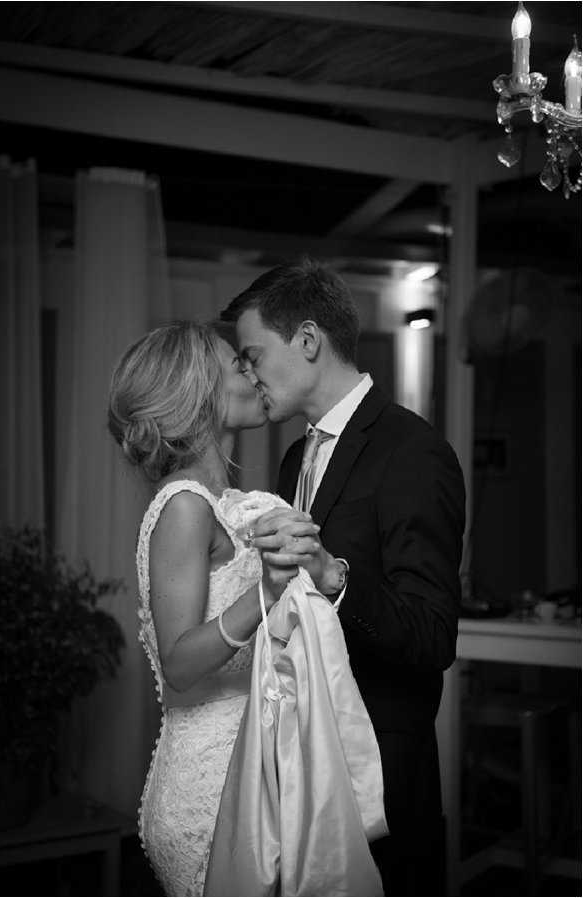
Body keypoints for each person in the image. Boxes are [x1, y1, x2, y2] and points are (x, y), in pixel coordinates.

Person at [221, 258, 466, 897]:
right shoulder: (296, 459)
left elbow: (434, 637)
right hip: (302, 779)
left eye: (252, 354)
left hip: (379, 779)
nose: (246, 373)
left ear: (307, 341)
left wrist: (334, 577)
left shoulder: (413, 452)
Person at [107, 321, 345, 897]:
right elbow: (179, 664)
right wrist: (264, 591)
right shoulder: (185, 505)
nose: (252, 371)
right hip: (211, 789)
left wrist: (321, 569)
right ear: (199, 392)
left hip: (257, 768)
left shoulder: (231, 505)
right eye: (236, 365)